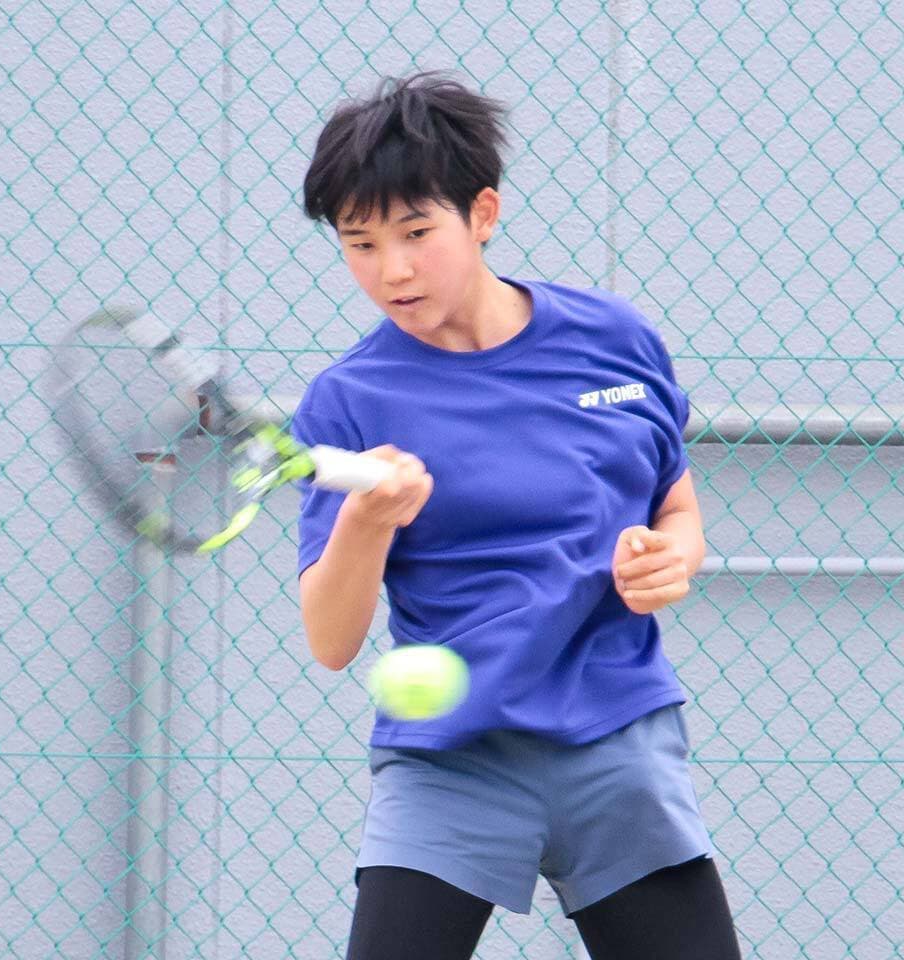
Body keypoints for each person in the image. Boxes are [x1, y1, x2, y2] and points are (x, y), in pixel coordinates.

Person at [292, 71, 742, 960]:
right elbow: (332, 640)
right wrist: (370, 522)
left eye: (416, 233)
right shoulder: (347, 400)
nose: (392, 270)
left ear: (483, 213)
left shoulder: (615, 340)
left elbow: (676, 506)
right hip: (449, 762)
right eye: (359, 243)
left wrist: (672, 557)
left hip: (618, 740)